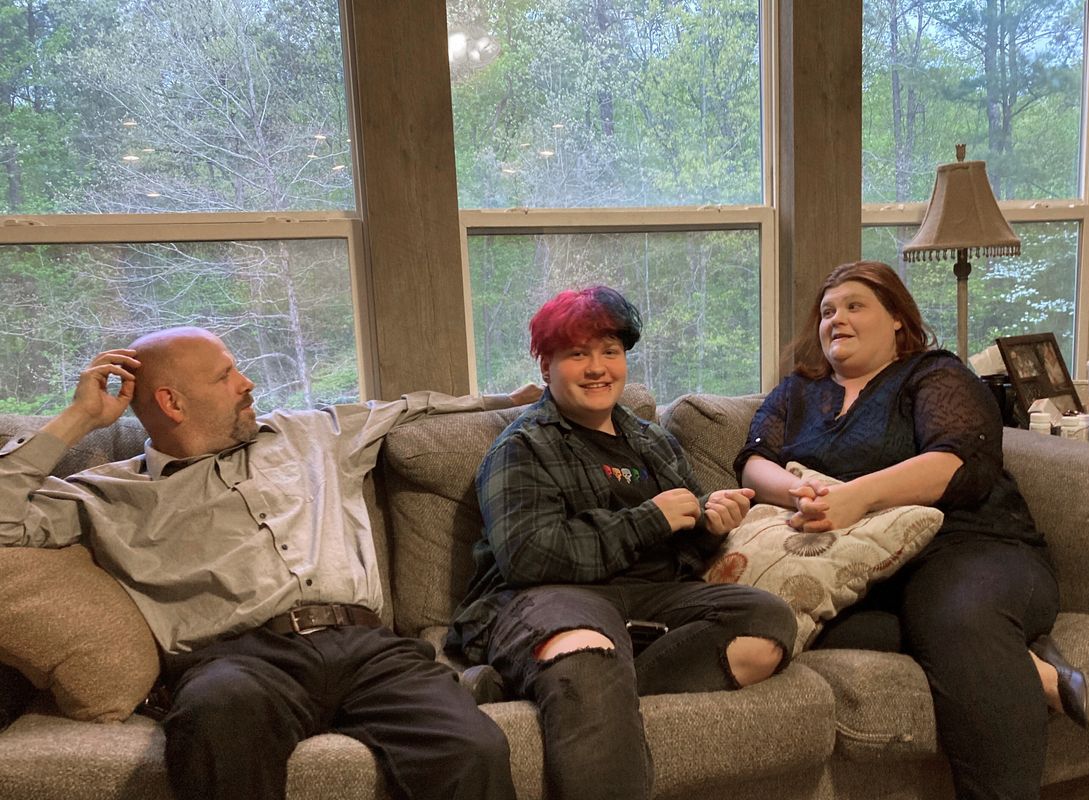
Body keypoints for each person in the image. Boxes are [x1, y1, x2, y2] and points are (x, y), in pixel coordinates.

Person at [0, 326, 530, 800]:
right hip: (238, 661)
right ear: (172, 402)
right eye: (226, 375)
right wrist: (78, 420)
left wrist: (512, 398)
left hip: (370, 648)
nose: (247, 383)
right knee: (217, 720)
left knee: (474, 748)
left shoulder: (311, 433)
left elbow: (416, 408)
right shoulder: (109, 493)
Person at [736, 261, 1089, 800]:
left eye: (855, 305)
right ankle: (1029, 664)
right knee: (796, 624)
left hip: (972, 548)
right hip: (866, 564)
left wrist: (855, 497)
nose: (837, 319)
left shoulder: (933, 373)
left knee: (953, 618)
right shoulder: (797, 393)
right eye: (828, 311)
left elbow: (959, 459)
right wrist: (799, 493)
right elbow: (752, 460)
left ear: (898, 320)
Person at [448, 286, 798, 800]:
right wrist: (647, 521)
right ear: (546, 367)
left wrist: (711, 525)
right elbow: (528, 556)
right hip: (547, 597)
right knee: (588, 646)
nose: (597, 368)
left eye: (610, 351)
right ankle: (578, 668)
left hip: (650, 601)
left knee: (767, 622)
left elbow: (685, 531)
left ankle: (536, 682)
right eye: (577, 354)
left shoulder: (651, 440)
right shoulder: (522, 447)